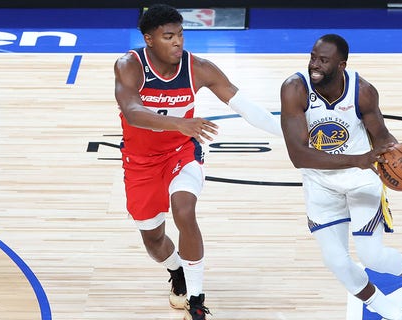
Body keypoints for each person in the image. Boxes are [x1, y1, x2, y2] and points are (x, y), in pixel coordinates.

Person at [113, 4, 282, 320]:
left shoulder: (200, 68)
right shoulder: (129, 65)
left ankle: (196, 300)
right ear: (149, 39)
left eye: (180, 34)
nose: (177, 42)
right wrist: (179, 123)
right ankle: (176, 268)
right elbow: (133, 112)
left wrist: (293, 134)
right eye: (168, 36)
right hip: (140, 161)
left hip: (181, 153)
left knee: (184, 210)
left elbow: (247, 108)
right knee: (153, 240)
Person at [279, 34, 402, 320]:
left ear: (342, 64)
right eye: (312, 57)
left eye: (323, 60)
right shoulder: (294, 88)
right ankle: (390, 312)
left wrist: (401, 154)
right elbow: (298, 156)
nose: (315, 65)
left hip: (361, 181)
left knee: (373, 257)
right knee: (336, 261)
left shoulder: (363, 91)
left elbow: (381, 135)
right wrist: (358, 160)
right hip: (321, 182)